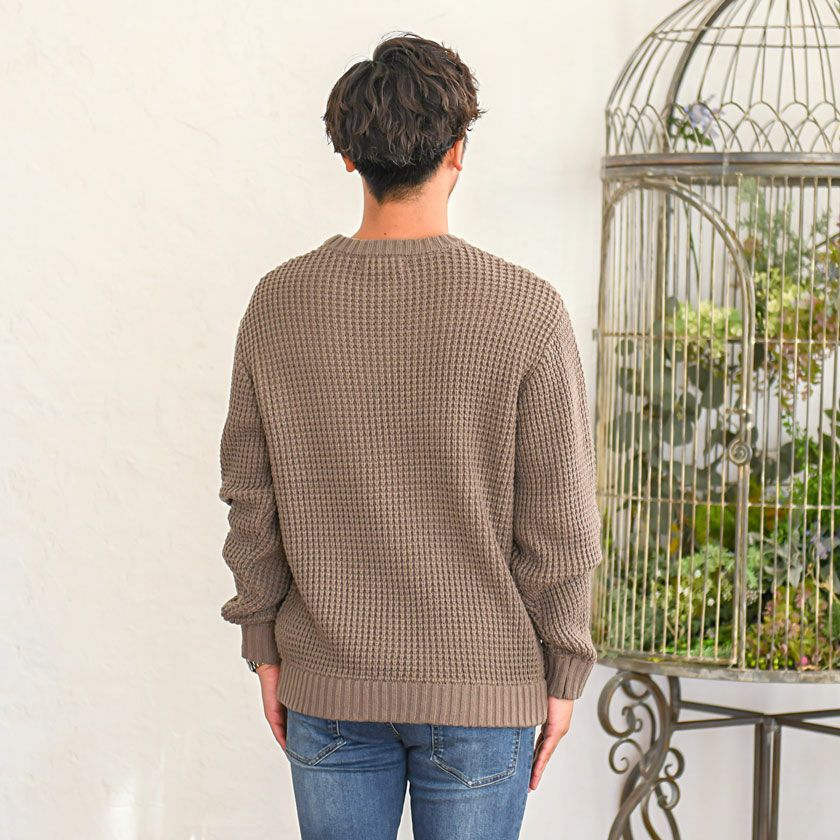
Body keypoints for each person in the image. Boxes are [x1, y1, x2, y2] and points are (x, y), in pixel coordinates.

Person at [217, 31, 603, 840]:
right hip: (484, 690)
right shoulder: (526, 309)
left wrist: (264, 642)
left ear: (348, 156)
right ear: (458, 150)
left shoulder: (279, 303)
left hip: (328, 682)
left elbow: (252, 499)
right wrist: (565, 665)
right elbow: (561, 521)